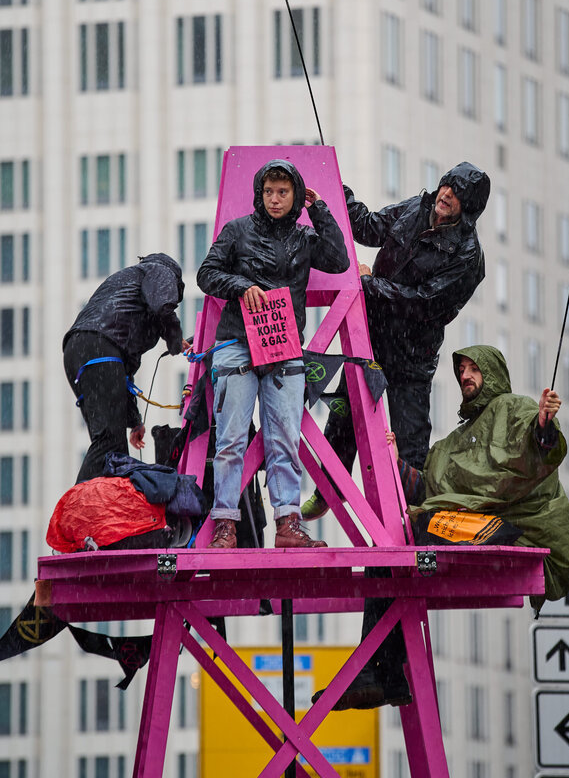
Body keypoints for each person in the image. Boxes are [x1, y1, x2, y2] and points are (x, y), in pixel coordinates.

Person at [313, 344, 569, 710]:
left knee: (408, 535)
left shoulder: (514, 409)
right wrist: (395, 464)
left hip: (528, 533)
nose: (465, 376)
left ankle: (377, 671)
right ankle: (386, 673)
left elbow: (539, 447)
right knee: (397, 543)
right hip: (482, 528)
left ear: (493, 373)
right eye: (462, 370)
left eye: (474, 368)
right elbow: (428, 487)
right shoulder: (457, 441)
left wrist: (544, 426)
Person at [303, 161, 490, 521]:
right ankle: (329, 488)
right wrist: (335, 191)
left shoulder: (467, 256)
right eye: (446, 185)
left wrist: (370, 284)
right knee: (344, 415)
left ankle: (415, 515)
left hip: (412, 354)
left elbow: (426, 302)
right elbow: (370, 227)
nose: (447, 194)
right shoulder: (415, 209)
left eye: (458, 193)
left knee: (411, 435)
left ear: (470, 207)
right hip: (372, 335)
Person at [196, 159, 349, 550]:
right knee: (230, 440)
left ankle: (288, 523)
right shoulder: (237, 231)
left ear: (295, 194)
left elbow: (340, 260)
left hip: (284, 350)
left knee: (285, 438)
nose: (275, 199)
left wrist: (320, 210)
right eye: (269, 192)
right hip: (238, 345)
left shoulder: (304, 237)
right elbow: (206, 273)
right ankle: (225, 525)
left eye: (283, 192)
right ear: (259, 195)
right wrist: (241, 284)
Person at [63, 253, 186, 484]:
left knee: (113, 452)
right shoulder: (161, 270)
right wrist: (175, 339)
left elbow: (122, 374)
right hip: (99, 349)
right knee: (109, 442)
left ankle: (100, 510)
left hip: (77, 351)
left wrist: (134, 419)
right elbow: (163, 308)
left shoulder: (127, 284)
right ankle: (77, 509)